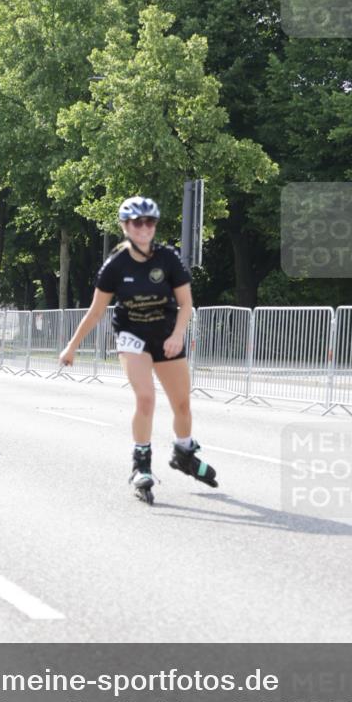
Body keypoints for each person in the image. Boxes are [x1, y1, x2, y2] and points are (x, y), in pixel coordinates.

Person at [59, 196, 217, 502]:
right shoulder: (115, 265)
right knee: (146, 398)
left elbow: (186, 304)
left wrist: (178, 334)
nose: (143, 228)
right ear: (125, 226)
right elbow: (95, 311)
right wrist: (71, 346)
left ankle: (184, 452)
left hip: (166, 335)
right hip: (132, 336)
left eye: (149, 222)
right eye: (136, 223)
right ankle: (141, 465)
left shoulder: (169, 259)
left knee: (182, 404)